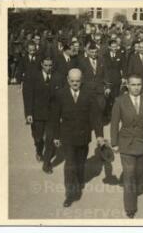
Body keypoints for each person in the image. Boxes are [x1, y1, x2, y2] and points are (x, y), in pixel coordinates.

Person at [51, 68, 105, 207]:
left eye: (78, 81)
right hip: (67, 137)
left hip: (83, 136)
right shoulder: (61, 94)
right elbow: (55, 118)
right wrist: (56, 136)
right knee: (69, 165)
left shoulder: (89, 95)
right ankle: (70, 194)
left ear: (82, 81)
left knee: (80, 163)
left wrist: (99, 135)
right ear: (68, 80)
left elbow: (95, 116)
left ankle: (79, 180)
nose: (75, 83)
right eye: (72, 81)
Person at [110, 74, 143, 218]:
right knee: (129, 174)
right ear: (127, 85)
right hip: (126, 143)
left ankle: (133, 188)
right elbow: (114, 124)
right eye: (133, 85)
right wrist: (114, 143)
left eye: (139, 85)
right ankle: (130, 207)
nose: (136, 88)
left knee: (139, 172)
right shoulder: (120, 101)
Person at [22, 57, 64, 171]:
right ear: (41, 64)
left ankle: (47, 164)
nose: (48, 68)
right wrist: (29, 113)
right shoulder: (34, 77)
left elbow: (61, 97)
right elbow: (28, 96)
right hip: (37, 114)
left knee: (50, 139)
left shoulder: (58, 77)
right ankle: (39, 150)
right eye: (46, 65)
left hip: (52, 115)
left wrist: (61, 114)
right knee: (38, 137)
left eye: (50, 65)